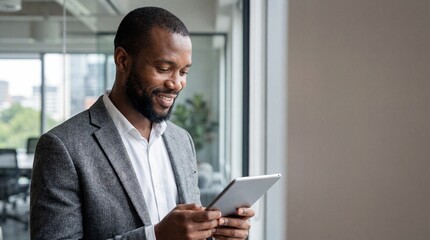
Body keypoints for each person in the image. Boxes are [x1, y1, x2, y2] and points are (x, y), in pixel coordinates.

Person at [30, 6, 254, 240]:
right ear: (123, 60)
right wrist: (154, 236)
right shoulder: (63, 146)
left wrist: (221, 232)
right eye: (164, 69)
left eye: (183, 72)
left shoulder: (181, 140)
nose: (176, 84)